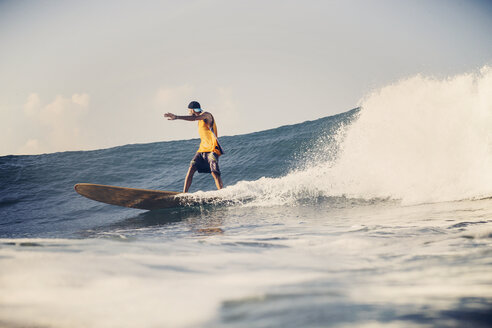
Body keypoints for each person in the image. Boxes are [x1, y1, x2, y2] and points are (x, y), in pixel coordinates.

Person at [164, 101, 224, 193]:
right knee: (191, 167)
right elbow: (194, 118)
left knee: (214, 172)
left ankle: (222, 193)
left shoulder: (206, 115)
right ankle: (184, 194)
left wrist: (176, 117)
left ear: (192, 110)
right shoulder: (199, 120)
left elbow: (194, 118)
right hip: (202, 150)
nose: (188, 112)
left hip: (212, 149)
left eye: (189, 110)